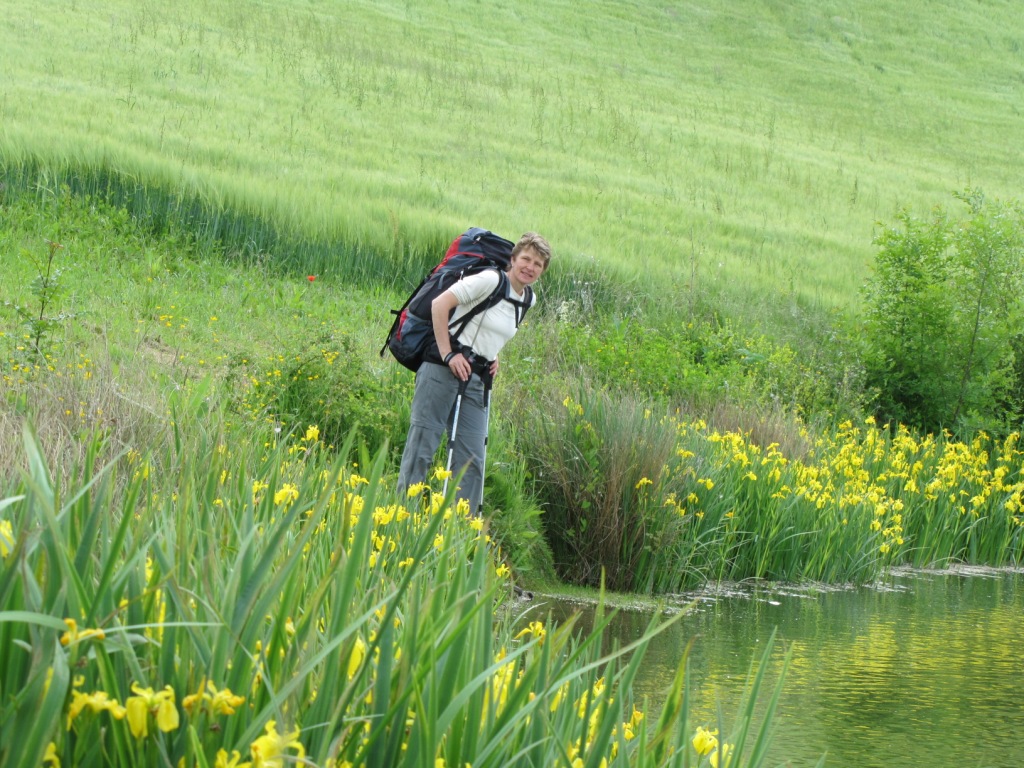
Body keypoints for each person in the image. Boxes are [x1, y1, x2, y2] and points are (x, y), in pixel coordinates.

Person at [397, 231, 552, 513]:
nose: (530, 267)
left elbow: (493, 325)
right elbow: (439, 305)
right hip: (441, 368)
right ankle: (403, 515)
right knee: (423, 444)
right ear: (514, 258)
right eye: (526, 259)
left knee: (472, 458)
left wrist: (493, 355)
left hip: (477, 378)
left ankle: (462, 528)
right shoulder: (490, 279)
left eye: (538, 264)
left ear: (543, 270)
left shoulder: (528, 299)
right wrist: (448, 354)